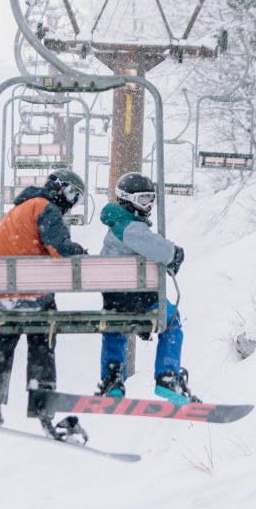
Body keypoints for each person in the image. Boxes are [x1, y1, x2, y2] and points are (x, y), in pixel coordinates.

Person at [0, 170, 87, 425]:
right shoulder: (46, 208)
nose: (72, 202)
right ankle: (41, 399)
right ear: (60, 189)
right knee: (42, 339)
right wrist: (80, 252)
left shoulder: (15, 213)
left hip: (2, 297)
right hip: (34, 296)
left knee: (4, 344)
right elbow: (60, 250)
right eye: (73, 195)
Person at [97, 172, 201, 406]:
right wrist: (176, 254)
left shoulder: (115, 227)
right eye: (143, 200)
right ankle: (167, 376)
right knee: (171, 320)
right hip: (141, 300)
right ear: (127, 199)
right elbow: (162, 250)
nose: (149, 205)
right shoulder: (130, 228)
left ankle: (112, 379)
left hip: (114, 302)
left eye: (151, 199)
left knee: (114, 327)